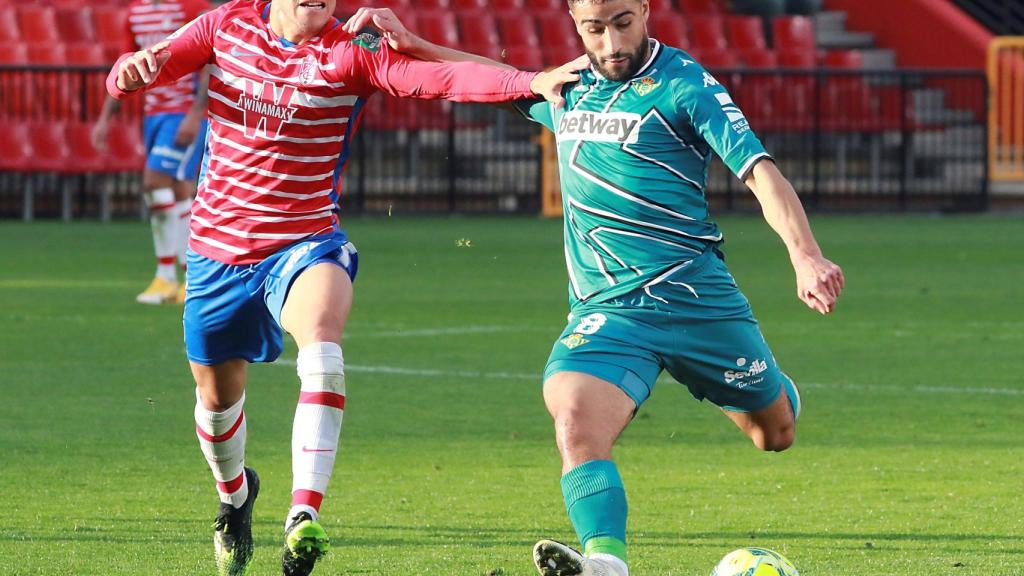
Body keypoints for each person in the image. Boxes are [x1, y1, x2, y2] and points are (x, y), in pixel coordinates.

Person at [104, 0, 584, 574]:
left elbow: (442, 78)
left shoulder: (349, 51)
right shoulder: (225, 24)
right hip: (216, 253)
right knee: (215, 404)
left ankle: (302, 517)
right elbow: (142, 67)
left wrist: (530, 80)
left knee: (324, 348)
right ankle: (235, 498)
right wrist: (128, 70)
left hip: (305, 243)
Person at [503, 1, 843, 575]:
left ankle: (776, 390)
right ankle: (604, 563)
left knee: (775, 434)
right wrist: (408, 42)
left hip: (695, 299)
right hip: (609, 309)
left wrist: (805, 256)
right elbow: (475, 79)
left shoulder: (685, 85)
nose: (610, 42)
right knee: (574, 415)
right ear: (573, 20)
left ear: (645, 9)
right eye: (593, 28)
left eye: (622, 22)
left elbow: (760, 171)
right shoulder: (564, 87)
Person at [93, 0, 211, 305]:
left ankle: (166, 274)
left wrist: (197, 113)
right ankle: (190, 280)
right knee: (180, 189)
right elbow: (126, 63)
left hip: (182, 112)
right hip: (153, 113)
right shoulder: (134, 12)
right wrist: (106, 118)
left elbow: (211, 59)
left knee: (153, 182)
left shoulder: (190, 6)